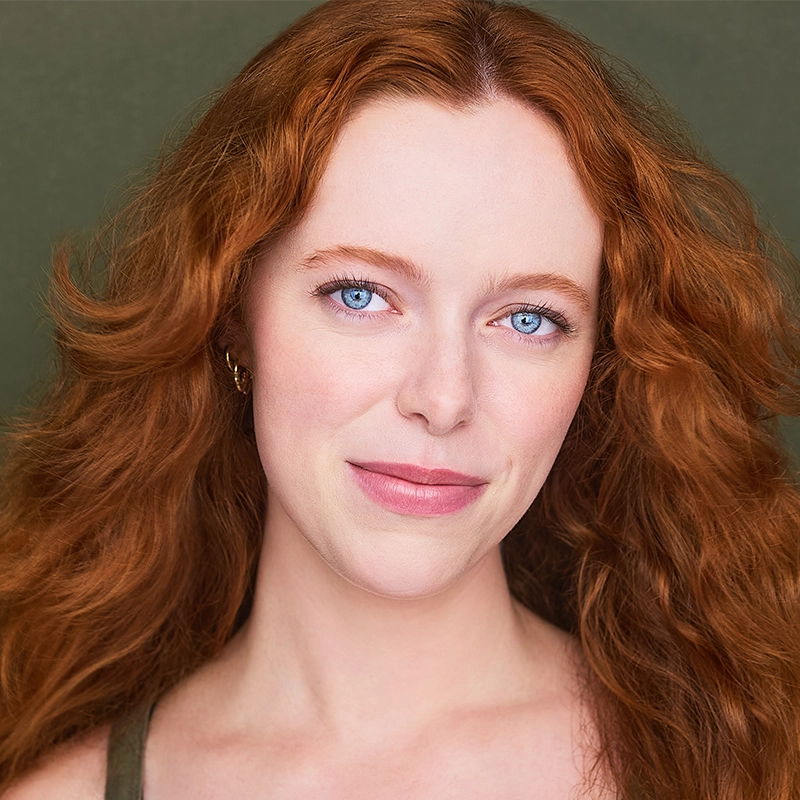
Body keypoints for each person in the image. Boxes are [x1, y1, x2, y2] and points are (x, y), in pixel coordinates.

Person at [1, 0, 799, 797]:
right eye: (360, 296)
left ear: (601, 360)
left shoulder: (755, 760)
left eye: (529, 318)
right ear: (233, 317)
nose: (444, 397)